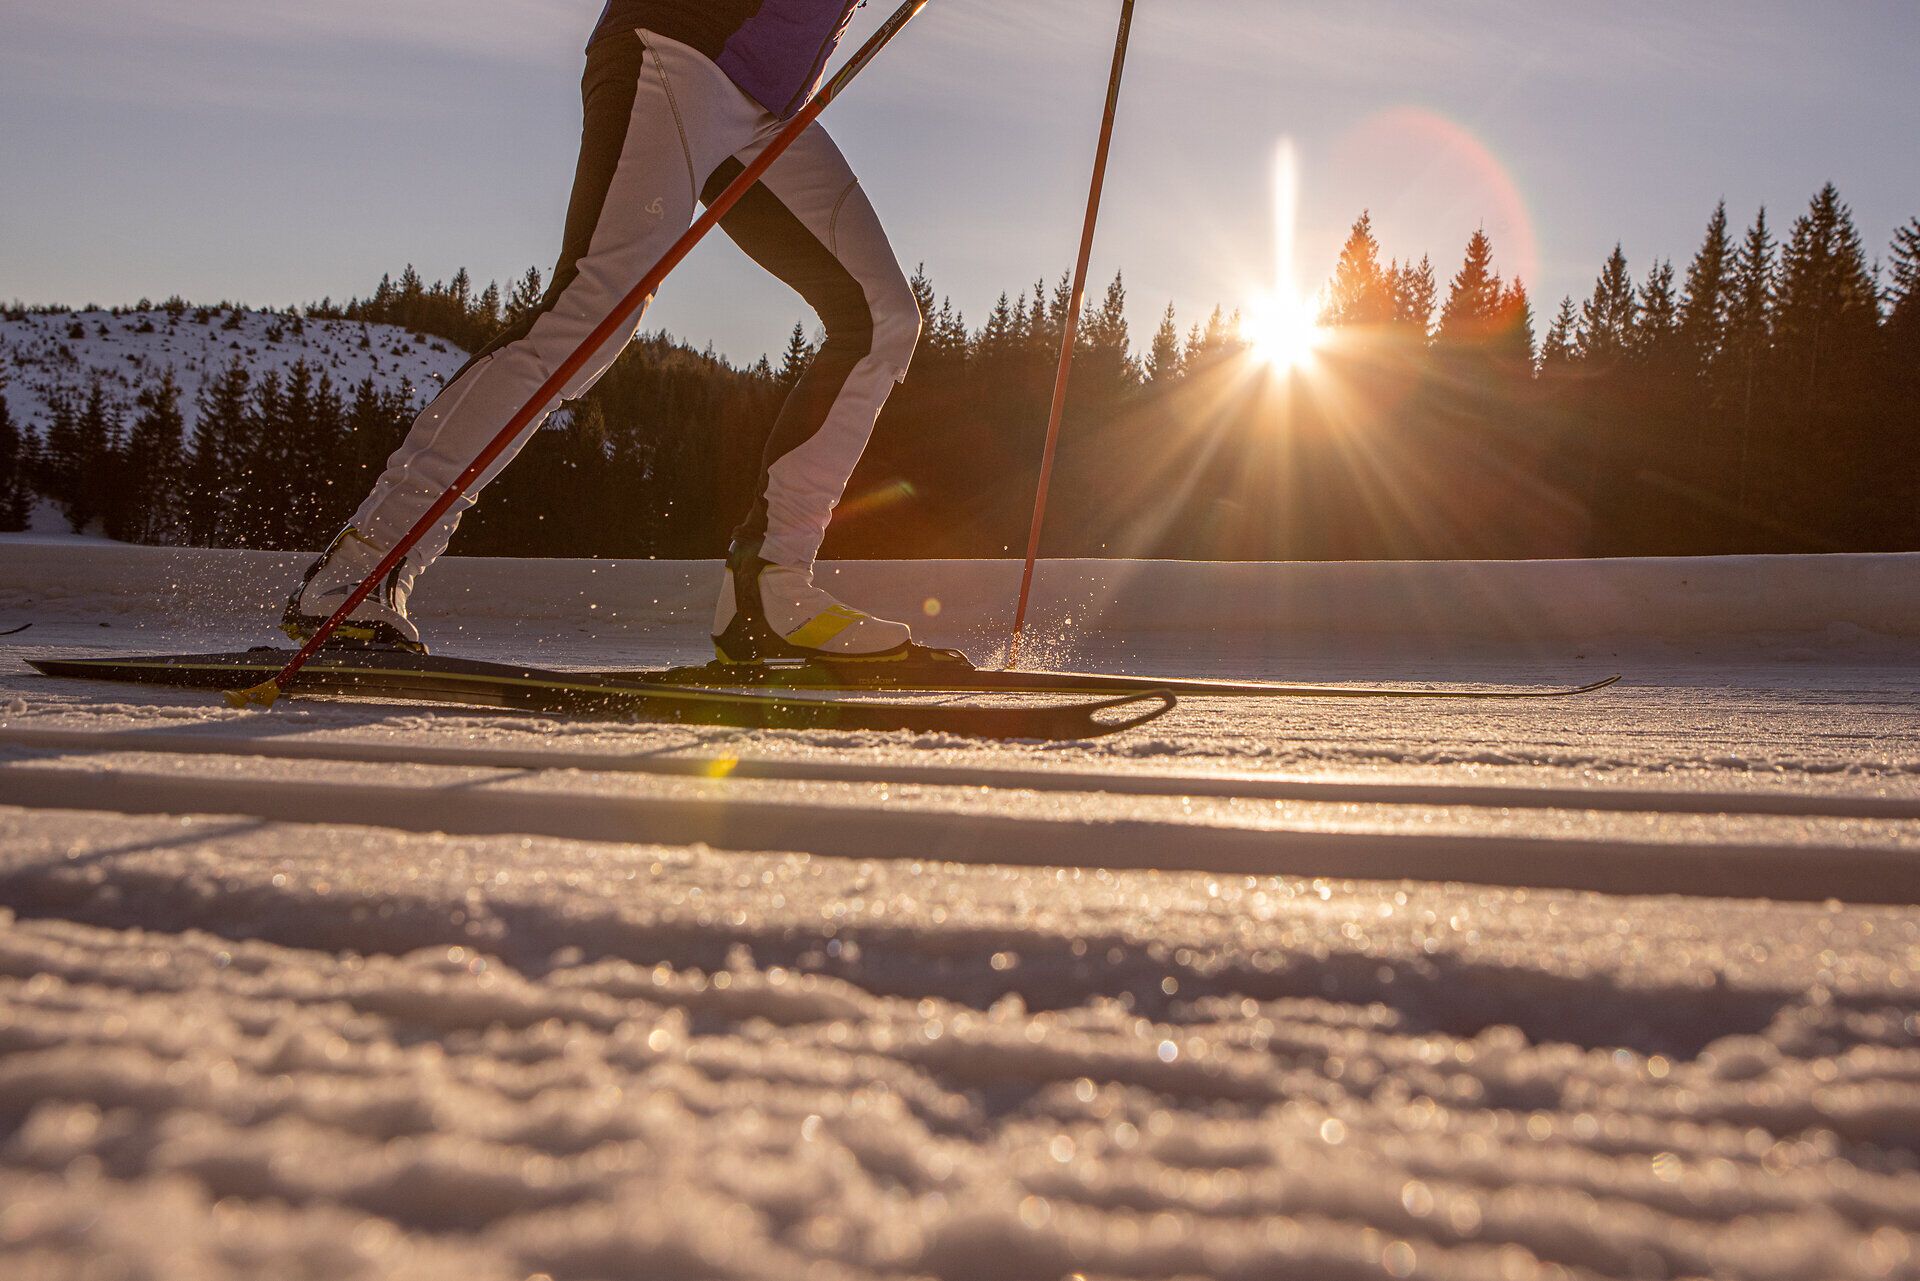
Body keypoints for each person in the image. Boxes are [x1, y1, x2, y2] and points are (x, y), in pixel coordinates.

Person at [284, 1, 965, 669]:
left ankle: (770, 594)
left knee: (881, 319)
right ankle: (359, 572)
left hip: (769, 106)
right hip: (679, 46)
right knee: (593, 312)